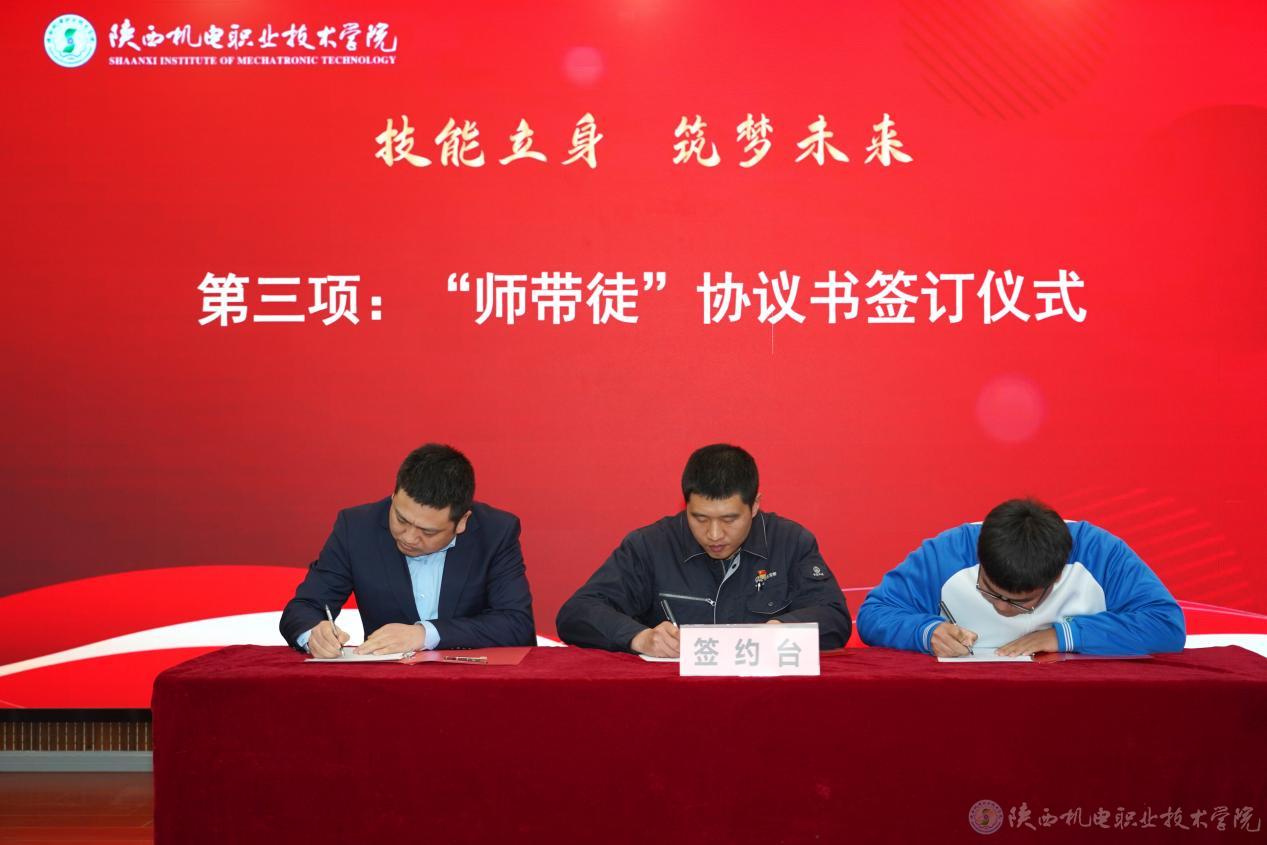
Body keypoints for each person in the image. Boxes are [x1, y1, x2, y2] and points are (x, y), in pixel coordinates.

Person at [556, 444, 852, 656]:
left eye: (729, 519)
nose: (714, 534)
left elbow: (834, 618)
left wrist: (780, 630)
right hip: (674, 702)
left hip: (766, 698)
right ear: (686, 506)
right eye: (699, 518)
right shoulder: (650, 545)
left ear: (755, 505)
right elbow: (577, 613)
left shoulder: (790, 542)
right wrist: (639, 637)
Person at [280, 443, 534, 656]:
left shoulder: (495, 532)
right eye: (401, 519)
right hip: (385, 684)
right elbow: (303, 608)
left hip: (473, 684)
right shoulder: (357, 528)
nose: (409, 537)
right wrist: (314, 634)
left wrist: (424, 634)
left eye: (428, 532)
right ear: (394, 496)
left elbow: (516, 625)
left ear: (462, 522)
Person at [857, 498, 1185, 657]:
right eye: (989, 592)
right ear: (979, 557)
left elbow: (1166, 626)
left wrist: (1065, 636)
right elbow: (875, 614)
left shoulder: (1099, 552)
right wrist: (925, 631)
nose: (1004, 609)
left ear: (1056, 576)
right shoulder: (948, 552)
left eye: (1022, 602)